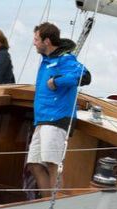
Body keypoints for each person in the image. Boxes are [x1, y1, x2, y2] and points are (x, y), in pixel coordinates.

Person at [27, 22, 88, 198]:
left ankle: (55, 207)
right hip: (42, 119)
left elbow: (85, 76)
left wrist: (57, 81)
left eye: (36, 39)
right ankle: (47, 202)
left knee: (52, 163)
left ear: (46, 41)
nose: (34, 43)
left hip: (56, 118)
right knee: (34, 164)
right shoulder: (46, 61)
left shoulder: (65, 59)